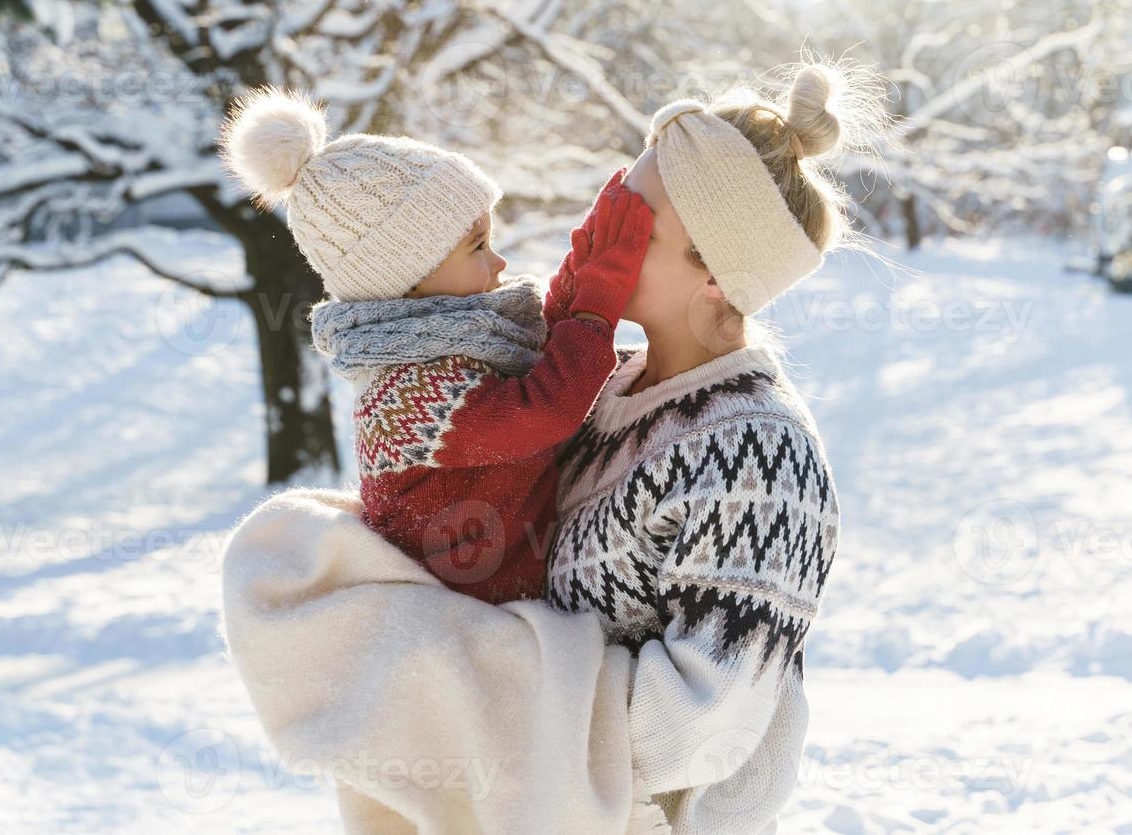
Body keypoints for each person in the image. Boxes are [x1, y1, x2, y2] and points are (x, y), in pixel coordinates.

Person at [221, 61, 884, 834]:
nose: (600, 228)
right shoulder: (608, 391)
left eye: (632, 218)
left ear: (710, 266)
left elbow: (703, 726)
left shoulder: (759, 456)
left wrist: (462, 671)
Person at [217, 88, 652, 603]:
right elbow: (542, 412)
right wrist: (592, 311)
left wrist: (569, 291)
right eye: (477, 247)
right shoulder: (404, 398)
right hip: (457, 626)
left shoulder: (458, 348)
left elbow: (532, 371)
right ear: (409, 276)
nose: (500, 263)